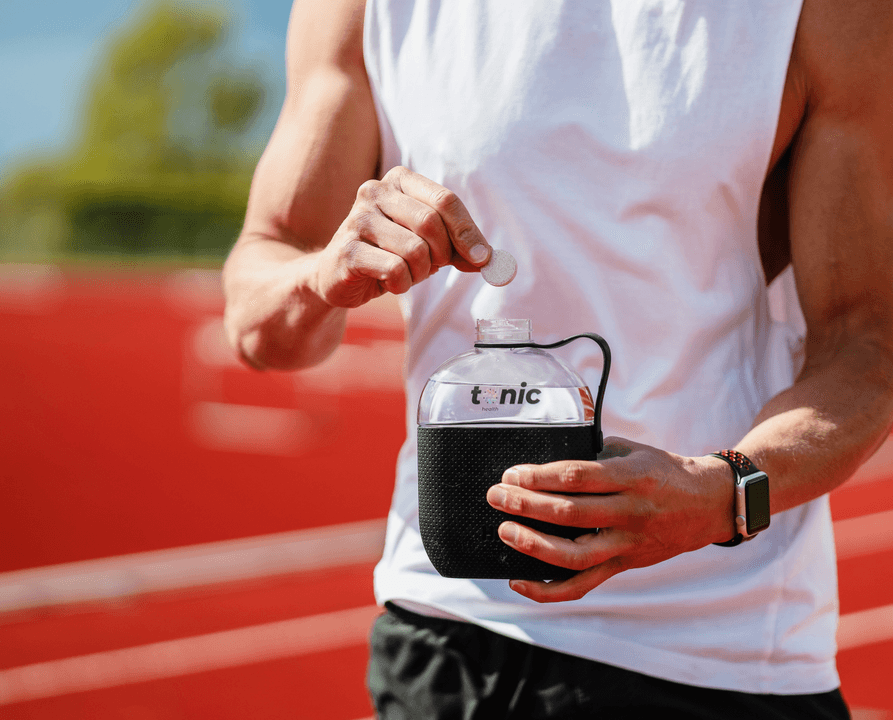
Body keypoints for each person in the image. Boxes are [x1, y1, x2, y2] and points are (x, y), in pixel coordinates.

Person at [223, 0, 893, 716]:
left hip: (719, 653)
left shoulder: (830, 13)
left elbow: (869, 345)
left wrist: (721, 494)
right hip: (452, 629)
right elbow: (260, 323)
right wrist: (319, 275)